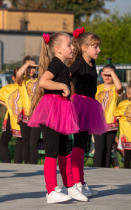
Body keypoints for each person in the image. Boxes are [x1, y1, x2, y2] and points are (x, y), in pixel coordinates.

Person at [28, 33, 88, 203]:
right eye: (69, 44)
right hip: (52, 110)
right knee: (52, 151)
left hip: (61, 111)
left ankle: (70, 187)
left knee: (65, 149)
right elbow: (43, 81)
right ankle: (51, 191)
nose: (72, 47)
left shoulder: (62, 65)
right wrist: (62, 85)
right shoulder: (55, 63)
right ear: (58, 49)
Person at [68, 27, 107, 197]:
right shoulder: (78, 63)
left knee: (82, 146)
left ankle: (80, 182)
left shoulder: (92, 63)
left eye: (98, 46)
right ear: (84, 47)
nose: (98, 50)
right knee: (78, 145)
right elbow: (65, 74)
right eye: (95, 46)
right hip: (80, 105)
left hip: (90, 105)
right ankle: (76, 183)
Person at [0, 67, 23, 163]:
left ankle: (8, 163)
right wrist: (4, 104)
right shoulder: (23, 89)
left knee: (4, 142)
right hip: (20, 117)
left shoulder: (9, 88)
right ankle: (16, 164)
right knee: (19, 141)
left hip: (14, 116)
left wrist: (4, 103)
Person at [94, 64, 122, 167]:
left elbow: (119, 87)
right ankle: (96, 171)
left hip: (112, 124)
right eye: (105, 74)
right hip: (98, 123)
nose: (107, 77)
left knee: (107, 150)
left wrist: (112, 73)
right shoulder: (97, 88)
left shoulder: (115, 88)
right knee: (99, 148)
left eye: (109, 74)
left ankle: (105, 171)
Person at [16, 56, 41, 164]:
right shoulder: (22, 80)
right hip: (24, 115)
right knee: (25, 142)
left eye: (33, 67)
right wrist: (27, 64)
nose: (31, 70)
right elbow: (18, 74)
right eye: (29, 67)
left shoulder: (39, 81)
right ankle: (27, 164)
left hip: (37, 116)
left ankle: (34, 164)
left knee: (33, 142)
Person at [114, 83, 131, 169]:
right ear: (128, 94)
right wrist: (118, 117)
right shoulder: (123, 104)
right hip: (127, 136)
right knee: (127, 159)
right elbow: (115, 113)